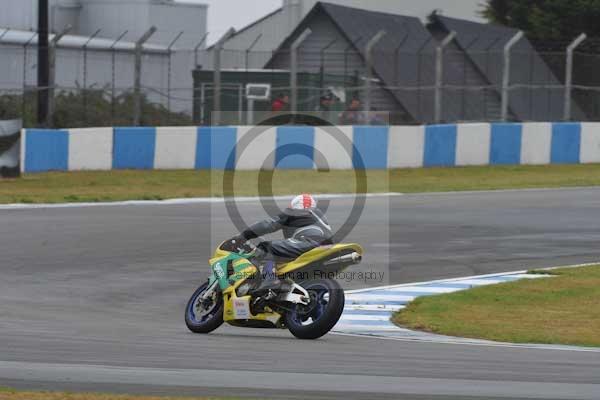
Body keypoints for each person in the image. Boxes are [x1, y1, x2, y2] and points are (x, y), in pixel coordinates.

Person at [233, 194, 333, 294]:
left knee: (266, 247)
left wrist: (243, 235)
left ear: (296, 206)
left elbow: (267, 224)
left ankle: (269, 279)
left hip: (307, 242)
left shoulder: (294, 212)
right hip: (326, 248)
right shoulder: (320, 216)